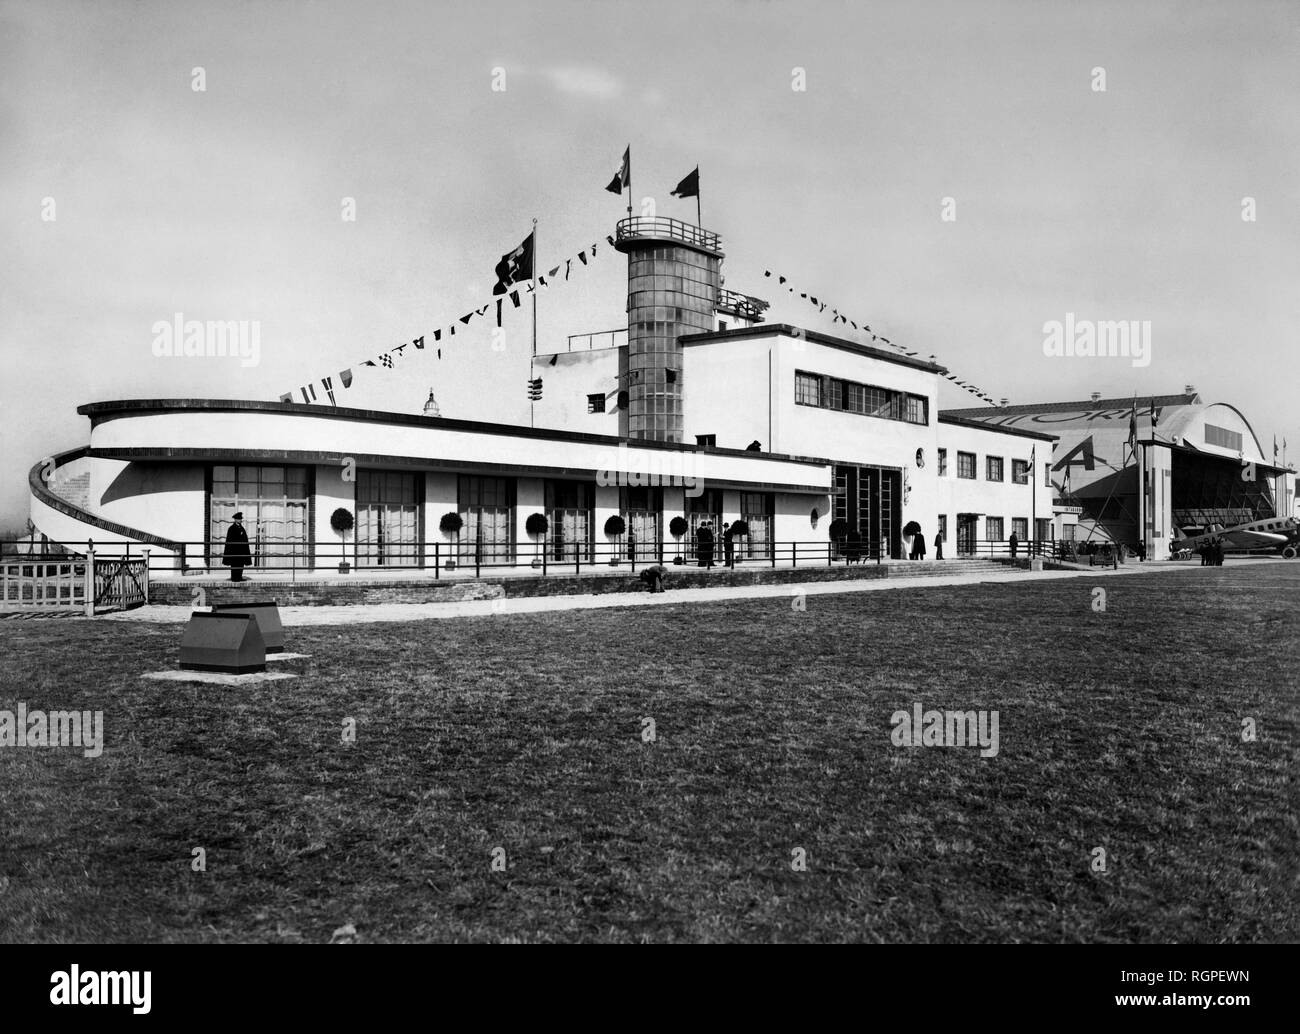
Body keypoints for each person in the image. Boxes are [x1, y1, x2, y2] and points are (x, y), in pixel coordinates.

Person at [222, 512, 252, 581]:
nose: (240, 520)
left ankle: (239, 577)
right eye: (239, 519)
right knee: (234, 564)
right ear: (235, 520)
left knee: (241, 564)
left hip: (241, 551)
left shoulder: (242, 528)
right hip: (234, 551)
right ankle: (234, 577)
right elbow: (230, 540)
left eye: (241, 519)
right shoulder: (231, 528)